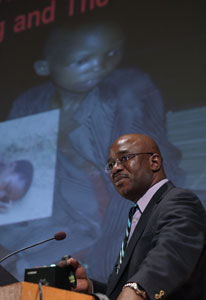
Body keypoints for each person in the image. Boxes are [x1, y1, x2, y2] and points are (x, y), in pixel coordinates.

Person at [3, 20, 185, 281]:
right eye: (82, 60)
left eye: (111, 53)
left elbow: (144, 179)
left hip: (127, 201)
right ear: (44, 67)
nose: (100, 66)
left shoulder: (129, 90)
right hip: (63, 213)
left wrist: (111, 254)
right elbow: (17, 184)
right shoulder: (29, 104)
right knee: (20, 264)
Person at [59, 133, 206, 300]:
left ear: (154, 162)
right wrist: (90, 287)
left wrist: (138, 289)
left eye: (125, 158)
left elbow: (171, 254)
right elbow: (123, 292)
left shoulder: (179, 201)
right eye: (111, 164)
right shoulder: (136, 214)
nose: (115, 168)